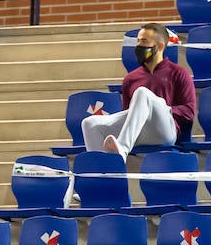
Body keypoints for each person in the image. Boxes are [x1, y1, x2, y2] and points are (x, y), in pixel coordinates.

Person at [82, 22, 195, 158]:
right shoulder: (131, 78)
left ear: (160, 46)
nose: (139, 46)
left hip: (165, 131)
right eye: (138, 41)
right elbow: (130, 114)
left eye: (144, 41)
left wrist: (161, 108)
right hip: (139, 133)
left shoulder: (178, 73)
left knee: (142, 93)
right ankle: (101, 170)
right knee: (90, 123)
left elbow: (189, 112)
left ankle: (123, 148)